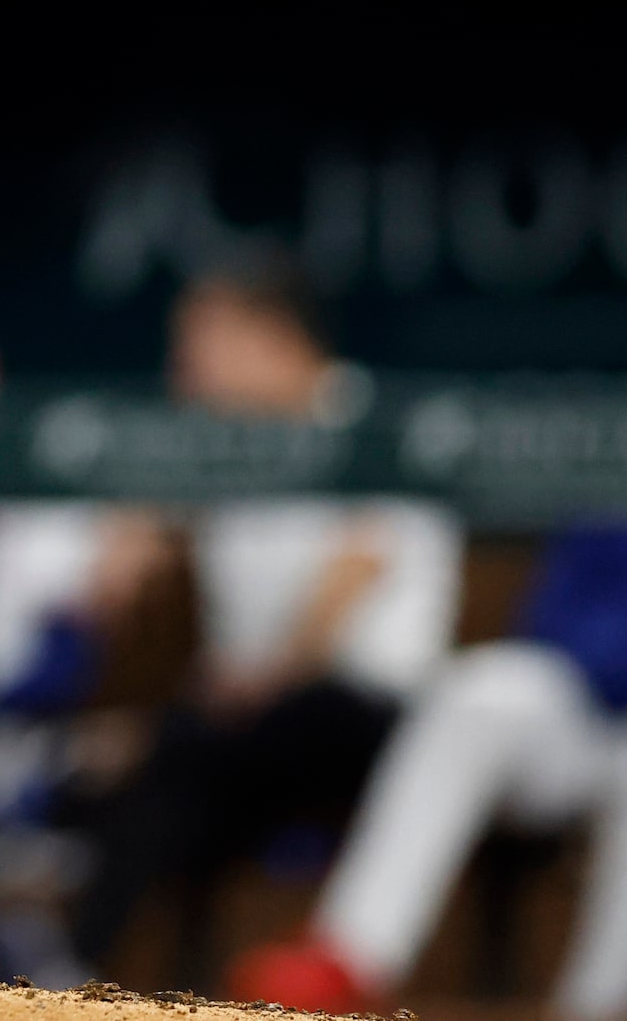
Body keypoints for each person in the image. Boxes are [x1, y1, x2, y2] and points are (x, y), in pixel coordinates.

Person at [64, 247, 461, 987]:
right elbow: (118, 566)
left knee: (184, 746)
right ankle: (68, 978)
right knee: (127, 783)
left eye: (199, 345)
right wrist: (125, 549)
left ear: (273, 338)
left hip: (376, 720)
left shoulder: (377, 421)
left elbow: (350, 580)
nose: (182, 370)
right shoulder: (219, 446)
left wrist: (200, 708)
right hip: (250, 730)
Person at [226, 527, 627, 1019]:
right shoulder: (608, 488)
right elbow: (558, 620)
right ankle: (352, 957)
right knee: (482, 688)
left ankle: (599, 1004)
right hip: (589, 708)